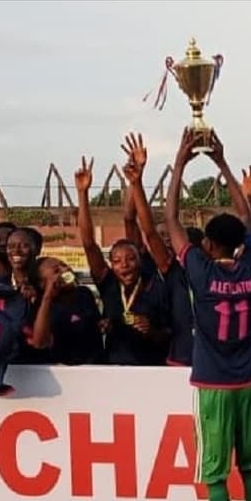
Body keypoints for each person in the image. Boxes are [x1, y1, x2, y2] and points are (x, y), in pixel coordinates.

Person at [165, 126, 251, 501]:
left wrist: (181, 161)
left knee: (213, 473)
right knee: (249, 467)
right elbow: (250, 221)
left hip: (212, 384)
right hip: (250, 380)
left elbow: (168, 218)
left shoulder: (201, 271)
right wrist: (225, 164)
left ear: (208, 245)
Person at [76, 138, 171, 366]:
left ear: (141, 258)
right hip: (114, 370)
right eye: (117, 261)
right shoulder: (108, 283)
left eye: (130, 259)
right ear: (110, 265)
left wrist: (151, 331)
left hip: (152, 370)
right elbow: (89, 243)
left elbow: (170, 333)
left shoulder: (155, 283)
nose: (124, 265)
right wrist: (82, 194)